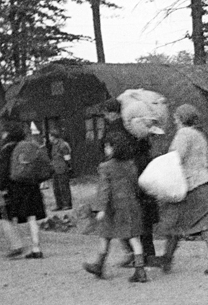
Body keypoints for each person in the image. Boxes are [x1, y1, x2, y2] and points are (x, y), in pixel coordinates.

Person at [155, 104, 208, 275]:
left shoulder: (183, 134)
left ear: (181, 118)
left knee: (174, 221)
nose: (174, 120)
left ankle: (167, 258)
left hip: (189, 185)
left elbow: (176, 158)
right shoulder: (199, 135)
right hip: (205, 182)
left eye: (176, 117)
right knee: (206, 224)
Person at [101, 97, 163, 267]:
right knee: (144, 214)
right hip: (143, 171)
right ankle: (148, 253)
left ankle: (134, 255)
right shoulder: (133, 125)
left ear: (108, 113)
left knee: (123, 219)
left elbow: (111, 154)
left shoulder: (115, 130)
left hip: (125, 177)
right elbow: (146, 145)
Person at [83, 132, 149, 282]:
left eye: (107, 146)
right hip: (130, 205)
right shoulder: (131, 164)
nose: (105, 149)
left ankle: (99, 265)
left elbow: (104, 189)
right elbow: (135, 184)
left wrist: (101, 208)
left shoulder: (105, 167)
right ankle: (140, 270)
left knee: (105, 235)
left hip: (112, 207)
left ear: (113, 148)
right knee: (133, 238)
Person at [0, 125, 45, 260]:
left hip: (15, 188)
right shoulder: (29, 146)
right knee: (32, 217)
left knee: (7, 216)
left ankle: (16, 246)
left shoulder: (7, 149)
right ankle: (36, 248)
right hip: (32, 185)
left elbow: (2, 171)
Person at [48, 128, 73, 211]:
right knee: (56, 188)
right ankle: (59, 204)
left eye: (50, 136)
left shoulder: (62, 145)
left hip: (62, 168)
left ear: (53, 136)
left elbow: (67, 157)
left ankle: (67, 204)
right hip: (55, 169)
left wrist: (69, 166)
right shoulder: (54, 145)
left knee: (64, 187)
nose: (49, 138)